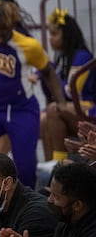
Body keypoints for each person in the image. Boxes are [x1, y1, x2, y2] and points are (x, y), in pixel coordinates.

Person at [0, 0, 66, 188]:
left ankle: (24, 209)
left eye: (3, 28)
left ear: (13, 24)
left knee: (25, 167)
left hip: (21, 109)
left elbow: (49, 72)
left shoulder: (28, 46)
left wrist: (61, 102)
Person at [40, 8, 95, 161]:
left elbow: (71, 91)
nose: (50, 39)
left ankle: (60, 161)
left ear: (67, 35)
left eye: (54, 34)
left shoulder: (82, 56)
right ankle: (49, 163)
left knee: (53, 110)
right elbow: (51, 94)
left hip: (89, 106)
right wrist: (44, 75)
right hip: (76, 106)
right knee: (44, 120)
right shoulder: (62, 58)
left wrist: (50, 71)